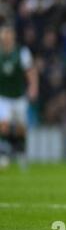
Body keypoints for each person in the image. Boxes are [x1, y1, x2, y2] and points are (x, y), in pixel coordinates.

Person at [0, 24, 38, 169]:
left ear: (13, 37)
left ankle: (21, 153)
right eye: (4, 35)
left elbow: (30, 71)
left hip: (19, 95)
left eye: (9, 35)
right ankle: (4, 154)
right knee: (3, 125)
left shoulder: (22, 52)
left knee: (21, 128)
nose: (6, 38)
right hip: (3, 96)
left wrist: (33, 87)